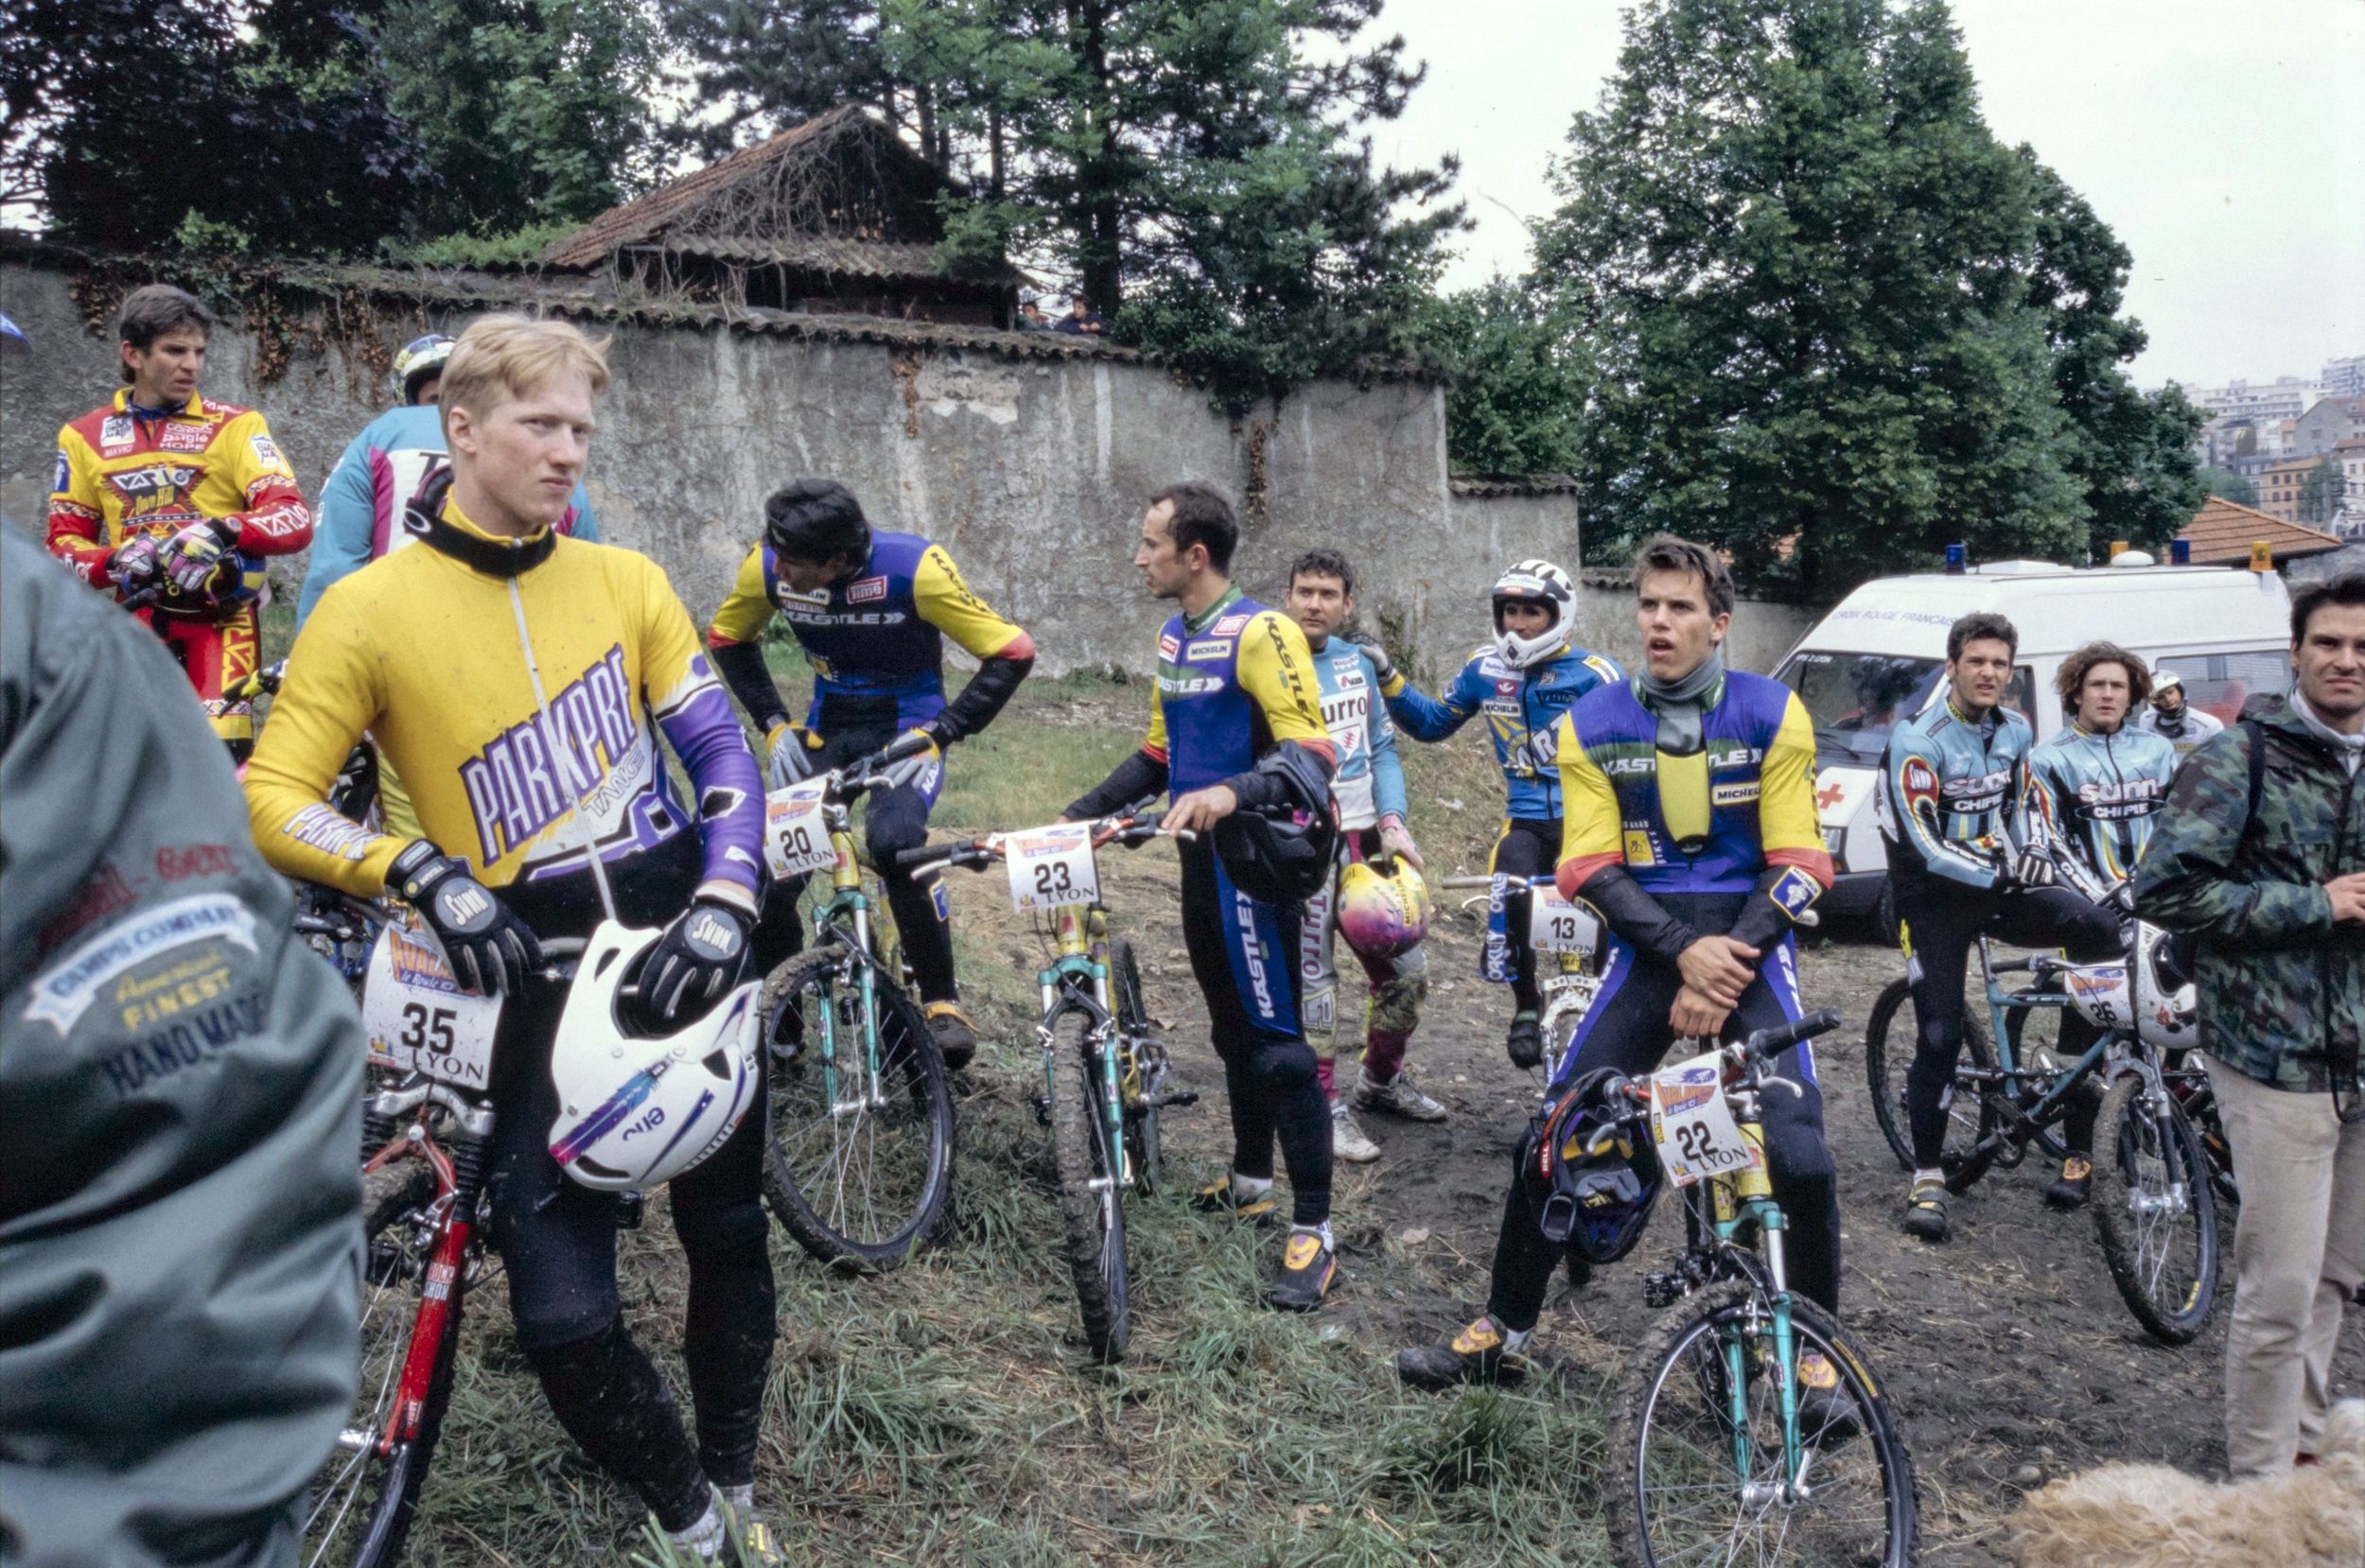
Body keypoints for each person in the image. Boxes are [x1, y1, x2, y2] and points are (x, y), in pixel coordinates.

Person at [241, 317, 779, 1560]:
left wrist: (726, 898)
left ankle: (739, 1481)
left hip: (675, 940)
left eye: (581, 428)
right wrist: (412, 865)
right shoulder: (370, 610)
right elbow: (272, 793)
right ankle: (689, 1518)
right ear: (462, 426)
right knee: (562, 1316)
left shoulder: (625, 580)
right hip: (516, 968)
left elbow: (715, 749)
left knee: (729, 1231)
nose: (567, 452)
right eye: (541, 424)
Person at [1398, 534, 1841, 1389]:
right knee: (1552, 1134)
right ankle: (1504, 1330)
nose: (1661, 622)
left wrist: (1724, 965)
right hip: (1649, 946)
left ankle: (1818, 1351)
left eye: (1681, 608)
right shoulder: (1593, 722)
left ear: (1719, 624)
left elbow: (1800, 865)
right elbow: (1587, 867)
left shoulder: (1772, 710)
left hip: (1749, 945)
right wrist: (1684, 957)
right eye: (1649, 606)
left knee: (1800, 1154)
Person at [2, 529, 362, 1568]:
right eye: (544, 423)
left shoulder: (42, 653)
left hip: (209, 683)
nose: (565, 449)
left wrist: (211, 543)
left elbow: (289, 522)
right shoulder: (84, 463)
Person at [1063, 482, 1340, 1310]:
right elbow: (1157, 753)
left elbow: (1313, 754)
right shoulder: (1174, 636)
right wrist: (1075, 817)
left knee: (1280, 1045)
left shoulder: (1263, 630)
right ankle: (1252, 1177)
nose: (1137, 556)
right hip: (1198, 862)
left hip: (1253, 864)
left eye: (1150, 543)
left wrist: (1233, 794)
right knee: (1230, 1032)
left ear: (1194, 555)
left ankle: (1316, 1232)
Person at [2133, 572, 2365, 1481]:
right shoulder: (2240, 758)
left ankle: (2304, 1446)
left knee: (2338, 1276)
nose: (2348, 661)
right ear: (2298, 653)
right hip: (2274, 1059)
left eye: (2363, 646)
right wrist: (2315, 904)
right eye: (2331, 644)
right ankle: (2260, 1489)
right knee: (2279, 1290)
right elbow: (2167, 890)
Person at [704, 479, 1036, 1068]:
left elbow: (1012, 651)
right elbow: (727, 638)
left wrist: (941, 734)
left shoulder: (918, 569)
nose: (778, 572)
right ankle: (783, 1018)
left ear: (837, 560)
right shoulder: (766, 566)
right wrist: (774, 723)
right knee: (778, 872)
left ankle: (941, 1003)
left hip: (909, 724)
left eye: (795, 562)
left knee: (895, 844)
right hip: (828, 725)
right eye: (773, 553)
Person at [296, 330, 601, 839]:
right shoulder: (556, 458)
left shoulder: (377, 437)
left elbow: (334, 568)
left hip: (403, 667)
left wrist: (310, 669)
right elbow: (584, 565)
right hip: (526, 675)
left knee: (417, 846)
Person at [1877, 611, 2121, 1242]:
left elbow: (2021, 812)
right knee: (1939, 1032)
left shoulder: (2015, 728)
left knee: (2096, 931)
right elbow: (1926, 845)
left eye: (2000, 664)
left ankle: (2074, 1124)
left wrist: (2030, 853)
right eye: (1977, 661)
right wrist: (2003, 873)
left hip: (1994, 882)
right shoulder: (1918, 737)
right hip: (1929, 896)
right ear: (1953, 665)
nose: (1989, 673)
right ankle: (1928, 1175)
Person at [45, 285, 313, 758]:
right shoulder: (82, 436)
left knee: (218, 768)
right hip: (139, 620)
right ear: (133, 353)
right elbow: (61, 549)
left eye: (199, 352)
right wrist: (116, 559)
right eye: (174, 351)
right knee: (135, 769)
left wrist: (224, 529)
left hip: (223, 622)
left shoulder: (237, 425)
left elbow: (293, 518)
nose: (192, 365)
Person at [1378, 561, 1622, 1069]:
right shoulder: (1483, 670)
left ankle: (1596, 1011)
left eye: (1532, 611)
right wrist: (1389, 678)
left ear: (1559, 615)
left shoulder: (1597, 674)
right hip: (1527, 821)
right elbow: (1429, 725)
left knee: (1597, 920)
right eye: (1510, 610)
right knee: (1508, 879)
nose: (1519, 623)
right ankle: (1526, 1008)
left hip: (1592, 823)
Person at [1283, 549, 1446, 1162]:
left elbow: (1383, 751)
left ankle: (1379, 1081)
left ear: (1347, 603)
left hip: (1366, 847)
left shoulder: (1357, 665)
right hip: (1301, 848)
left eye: (1328, 593)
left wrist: (1394, 821)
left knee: (1407, 976)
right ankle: (1323, 1106)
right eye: (1305, 591)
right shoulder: (1268, 661)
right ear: (1289, 597)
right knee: (1316, 982)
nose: (1316, 603)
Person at [2019, 641, 2179, 1207]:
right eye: (2096, 686)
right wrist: (2105, 899)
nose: (2107, 694)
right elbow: (2047, 842)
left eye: (2118, 686)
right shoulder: (2050, 758)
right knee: (2086, 1033)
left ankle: (2154, 1122)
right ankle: (2078, 1155)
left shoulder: (2158, 751)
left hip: (2158, 905)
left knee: (2174, 1017)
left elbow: (2180, 825)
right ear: (2076, 693)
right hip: (2095, 912)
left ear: (2133, 693)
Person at [2136, 668, 2225, 763]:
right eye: (2160, 697)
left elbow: (2221, 761)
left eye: (2170, 692)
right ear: (2155, 702)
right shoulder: (2146, 720)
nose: (2168, 699)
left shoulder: (2209, 724)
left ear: (2180, 690)